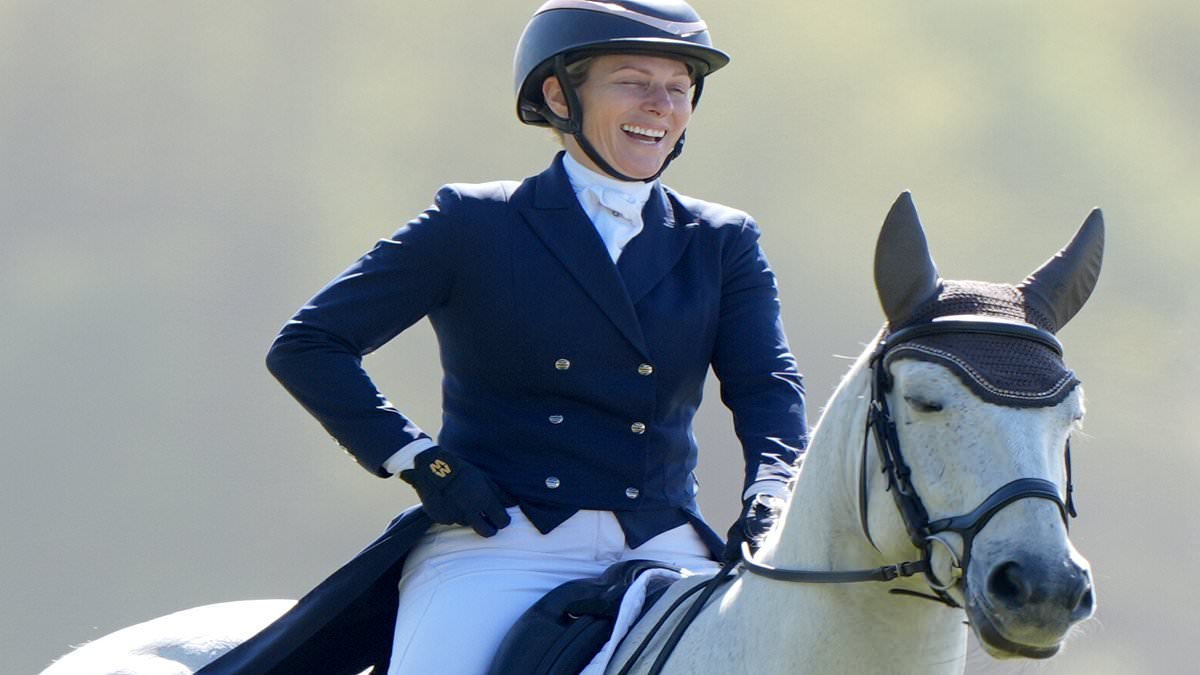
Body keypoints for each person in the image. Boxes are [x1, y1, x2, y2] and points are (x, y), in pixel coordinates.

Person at [264, 1, 807, 672]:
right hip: (501, 543)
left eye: (678, 87)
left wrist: (774, 487)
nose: (661, 104)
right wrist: (421, 461)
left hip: (664, 541)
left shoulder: (723, 240)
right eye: (634, 81)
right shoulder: (473, 222)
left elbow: (765, 384)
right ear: (558, 94)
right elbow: (310, 344)